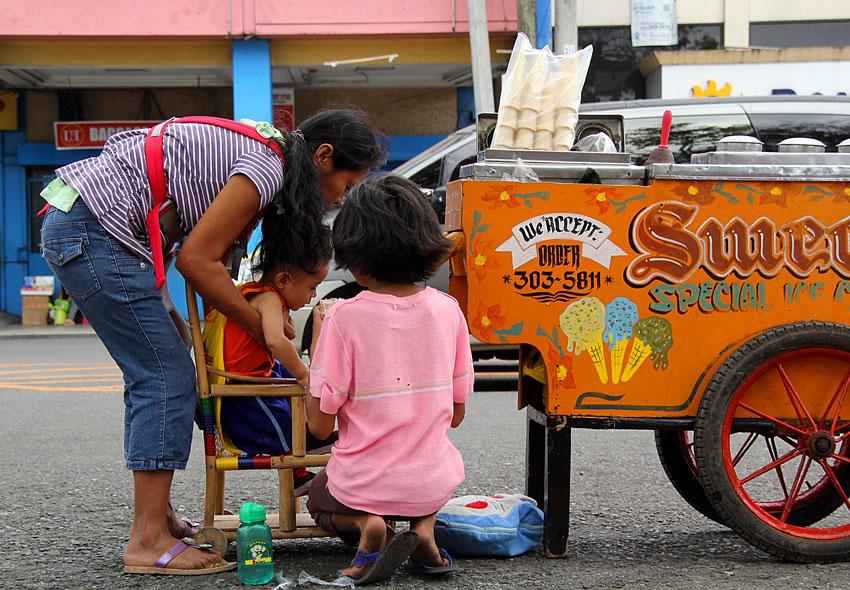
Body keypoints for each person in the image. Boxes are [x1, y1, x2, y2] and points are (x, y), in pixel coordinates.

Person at [39, 109, 386, 575]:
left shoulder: (270, 159)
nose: (340, 198)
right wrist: (257, 325)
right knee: (165, 376)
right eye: (347, 184)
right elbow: (198, 261)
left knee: (161, 368)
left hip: (100, 229)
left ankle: (156, 517)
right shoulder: (267, 167)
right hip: (94, 230)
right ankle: (147, 540)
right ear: (324, 157)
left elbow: (202, 253)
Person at [305, 173, 473, 584]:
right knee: (428, 472)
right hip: (430, 482)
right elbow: (456, 416)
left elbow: (320, 425)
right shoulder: (449, 310)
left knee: (317, 498)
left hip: (363, 481)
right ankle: (424, 530)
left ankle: (368, 525)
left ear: (357, 262)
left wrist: (313, 375)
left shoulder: (342, 318)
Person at [205, 223, 334, 494]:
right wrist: (303, 373)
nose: (313, 295)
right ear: (284, 280)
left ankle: (306, 435)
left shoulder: (266, 295)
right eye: (312, 287)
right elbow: (276, 341)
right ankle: (298, 470)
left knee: (284, 382)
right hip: (243, 394)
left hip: (251, 381)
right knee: (283, 407)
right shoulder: (268, 298)